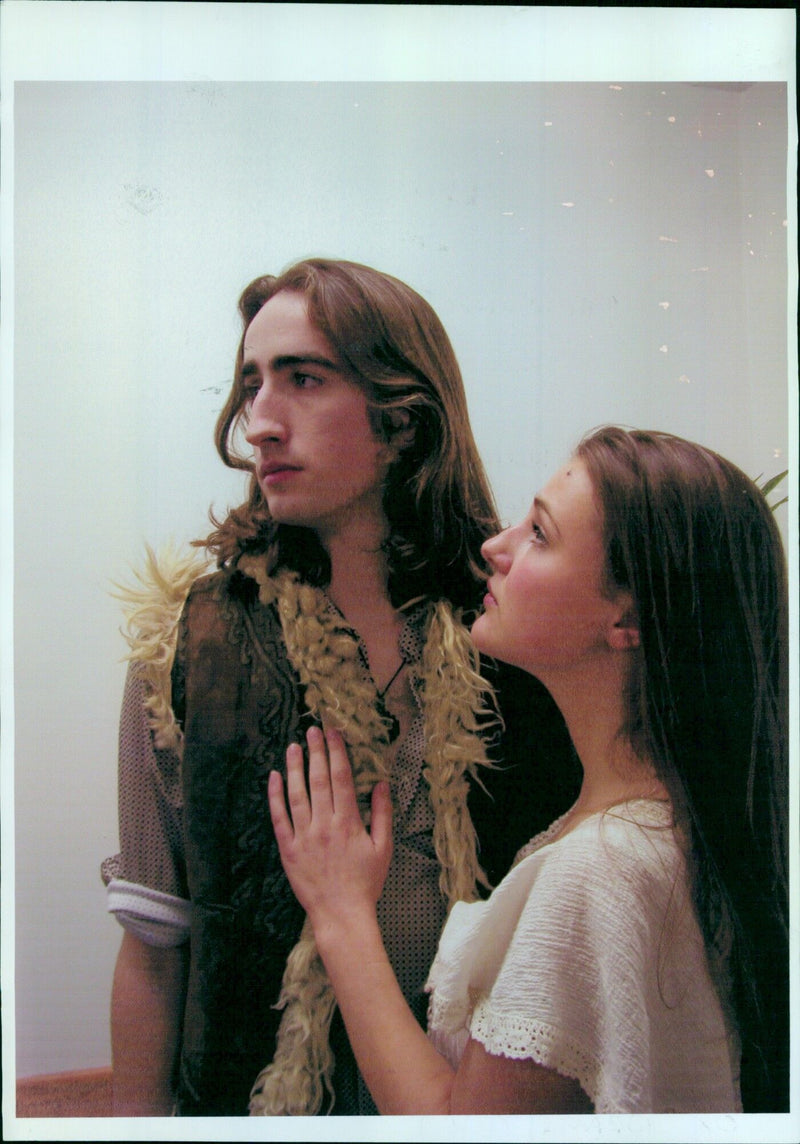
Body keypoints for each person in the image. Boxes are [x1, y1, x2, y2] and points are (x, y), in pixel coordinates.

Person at [102, 258, 578, 1116]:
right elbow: (153, 943)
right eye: (252, 385)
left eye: (304, 379)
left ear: (405, 415)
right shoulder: (188, 644)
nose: (261, 425)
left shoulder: (518, 633)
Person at [270, 426, 789, 1114]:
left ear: (626, 616)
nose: (497, 547)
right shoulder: (661, 824)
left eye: (540, 534)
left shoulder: (601, 870)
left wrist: (340, 912)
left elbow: (458, 1131)